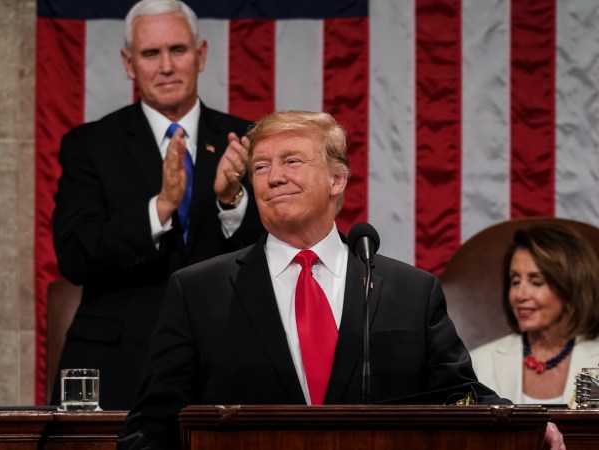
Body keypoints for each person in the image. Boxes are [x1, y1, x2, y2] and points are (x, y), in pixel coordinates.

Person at [116, 110, 547, 450]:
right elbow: (152, 424)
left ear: (337, 179)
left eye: (292, 161)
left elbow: (460, 396)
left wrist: (527, 430)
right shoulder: (198, 291)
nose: (274, 177)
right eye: (261, 166)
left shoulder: (411, 292)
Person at [51, 0, 264, 410]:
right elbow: (75, 255)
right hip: (118, 361)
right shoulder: (89, 145)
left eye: (177, 50)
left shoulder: (247, 140)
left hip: (225, 359)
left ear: (200, 55)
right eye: (151, 53)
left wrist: (231, 200)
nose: (166, 66)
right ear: (129, 64)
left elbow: (273, 254)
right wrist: (161, 208)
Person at [471, 223, 599, 408]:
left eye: (536, 282)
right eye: (515, 281)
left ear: (570, 288)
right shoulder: (480, 363)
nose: (520, 295)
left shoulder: (596, 358)